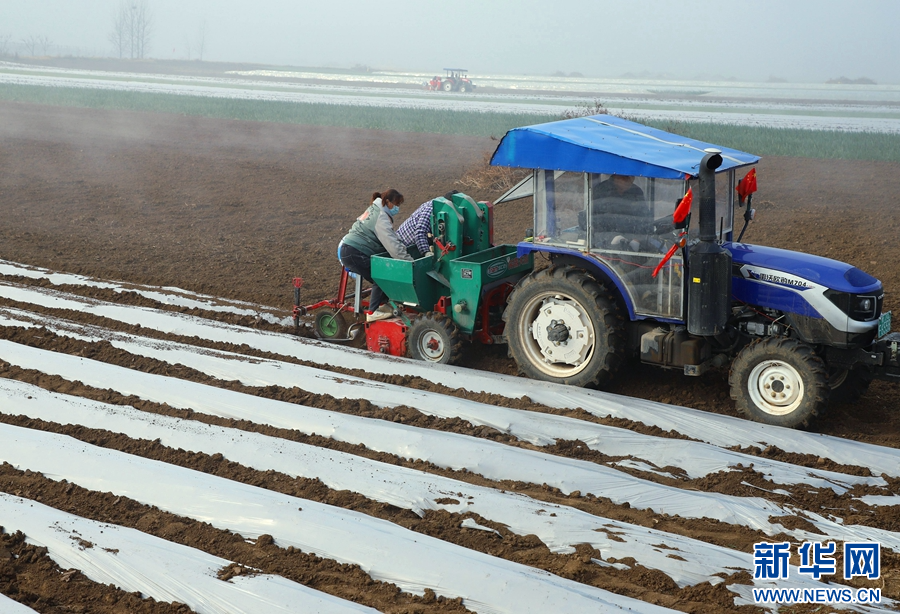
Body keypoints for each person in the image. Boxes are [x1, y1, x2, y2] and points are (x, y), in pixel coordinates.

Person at [339, 189, 413, 322]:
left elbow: (392, 240)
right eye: (396, 204)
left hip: (350, 249)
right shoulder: (381, 217)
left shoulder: (375, 209)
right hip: (354, 252)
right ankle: (373, 312)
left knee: (382, 273)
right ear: (387, 202)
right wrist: (409, 262)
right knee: (382, 276)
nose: (397, 208)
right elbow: (392, 245)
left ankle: (383, 306)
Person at [395, 190, 459, 257]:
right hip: (405, 245)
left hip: (416, 243)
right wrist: (426, 252)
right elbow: (420, 232)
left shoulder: (440, 203)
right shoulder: (432, 209)